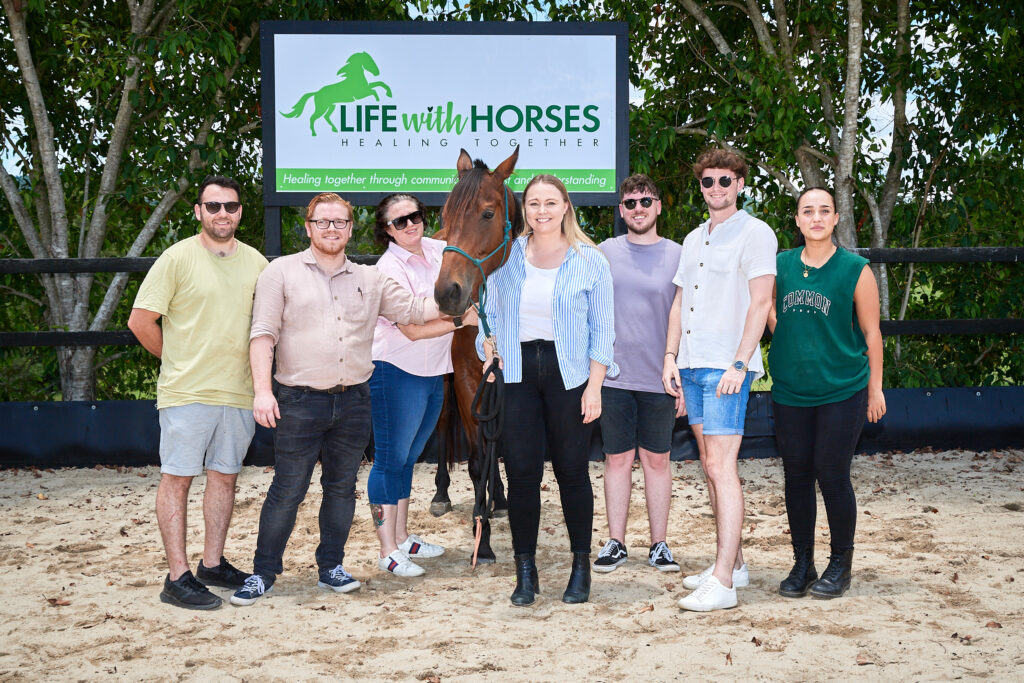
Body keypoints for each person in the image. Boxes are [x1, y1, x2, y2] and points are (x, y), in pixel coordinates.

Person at [231, 192, 445, 606]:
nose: (332, 229)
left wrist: (466, 299)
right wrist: (261, 391)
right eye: (323, 222)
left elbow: (418, 310)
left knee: (341, 489)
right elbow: (262, 334)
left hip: (353, 401)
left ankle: (331, 566)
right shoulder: (280, 272)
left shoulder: (371, 278)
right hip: (297, 400)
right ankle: (262, 572)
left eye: (340, 222)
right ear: (308, 227)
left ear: (351, 228)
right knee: (287, 490)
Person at [128, 175, 268, 610]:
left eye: (230, 206)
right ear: (198, 212)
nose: (222, 214)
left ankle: (211, 564)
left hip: (239, 393)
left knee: (225, 477)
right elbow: (140, 321)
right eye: (213, 206)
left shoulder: (258, 263)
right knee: (178, 478)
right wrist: (177, 363)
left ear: (240, 211)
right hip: (187, 392)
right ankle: (177, 577)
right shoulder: (177, 258)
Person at [478, 174, 617, 606]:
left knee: (572, 472)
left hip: (570, 376)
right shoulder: (507, 256)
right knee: (521, 475)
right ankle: (525, 570)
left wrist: (594, 386)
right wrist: (487, 347)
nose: (542, 211)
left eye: (550, 202)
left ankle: (580, 569)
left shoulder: (590, 260)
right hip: (517, 375)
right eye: (534, 203)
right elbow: (491, 314)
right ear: (525, 209)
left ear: (565, 207)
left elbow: (603, 330)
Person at [662, 148, 777, 612]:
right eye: (708, 182)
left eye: (724, 181)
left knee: (720, 468)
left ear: (740, 184)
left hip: (726, 368)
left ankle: (725, 582)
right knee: (710, 464)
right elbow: (678, 304)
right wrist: (669, 357)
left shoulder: (756, 233)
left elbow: (761, 303)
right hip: (690, 365)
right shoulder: (692, 239)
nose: (715, 189)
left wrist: (740, 362)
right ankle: (735, 564)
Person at [767, 187, 886, 599]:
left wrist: (876, 389)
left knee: (832, 474)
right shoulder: (780, 265)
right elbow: (763, 305)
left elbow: (872, 332)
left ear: (836, 219)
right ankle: (803, 563)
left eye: (824, 211)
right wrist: (781, 333)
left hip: (842, 389)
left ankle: (841, 565)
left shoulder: (856, 269)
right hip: (789, 391)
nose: (815, 218)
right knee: (796, 476)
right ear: (797, 220)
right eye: (807, 211)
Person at [368, 193, 477, 577]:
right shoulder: (386, 271)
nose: (410, 224)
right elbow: (413, 331)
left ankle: (401, 537)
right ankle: (387, 549)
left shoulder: (437, 250)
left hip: (434, 372)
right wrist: (463, 321)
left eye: (414, 216)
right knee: (389, 459)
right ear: (387, 230)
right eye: (399, 221)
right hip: (396, 369)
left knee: (408, 457)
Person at [594, 174, 683, 574]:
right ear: (621, 211)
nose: (638, 209)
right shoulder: (603, 252)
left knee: (657, 461)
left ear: (659, 206)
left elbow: (688, 318)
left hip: (660, 378)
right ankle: (616, 542)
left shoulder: (679, 255)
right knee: (616, 460)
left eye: (645, 202)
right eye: (630, 204)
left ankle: (659, 544)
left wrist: (680, 368)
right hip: (612, 377)